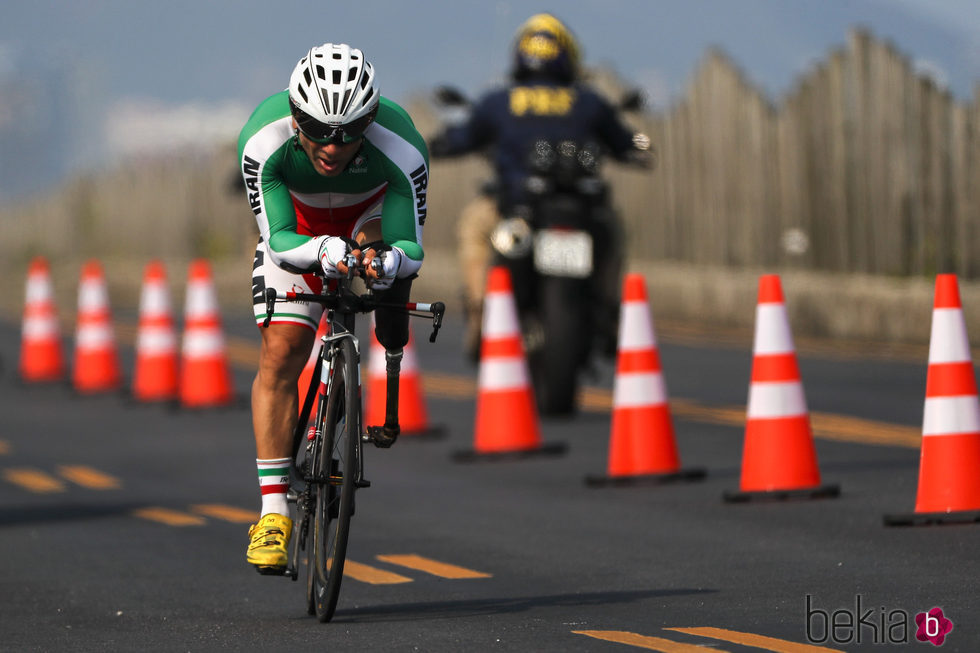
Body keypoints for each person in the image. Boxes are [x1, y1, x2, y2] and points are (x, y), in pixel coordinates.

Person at [237, 43, 429, 573]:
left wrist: (388, 263)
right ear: (295, 115)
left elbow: (410, 247)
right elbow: (277, 240)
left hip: (366, 220)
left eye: (348, 132)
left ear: (368, 122)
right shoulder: (262, 140)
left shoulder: (403, 148)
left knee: (374, 248)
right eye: (317, 129)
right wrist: (321, 250)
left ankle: (341, 390)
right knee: (282, 349)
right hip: (297, 231)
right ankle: (274, 511)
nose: (331, 145)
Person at [428, 13, 651, 361]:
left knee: (473, 228)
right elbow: (629, 143)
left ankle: (481, 316)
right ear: (569, 55)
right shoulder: (589, 102)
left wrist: (438, 142)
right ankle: (609, 314)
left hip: (514, 209)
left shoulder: (499, 101)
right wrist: (640, 147)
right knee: (614, 232)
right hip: (583, 211)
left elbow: (459, 138)